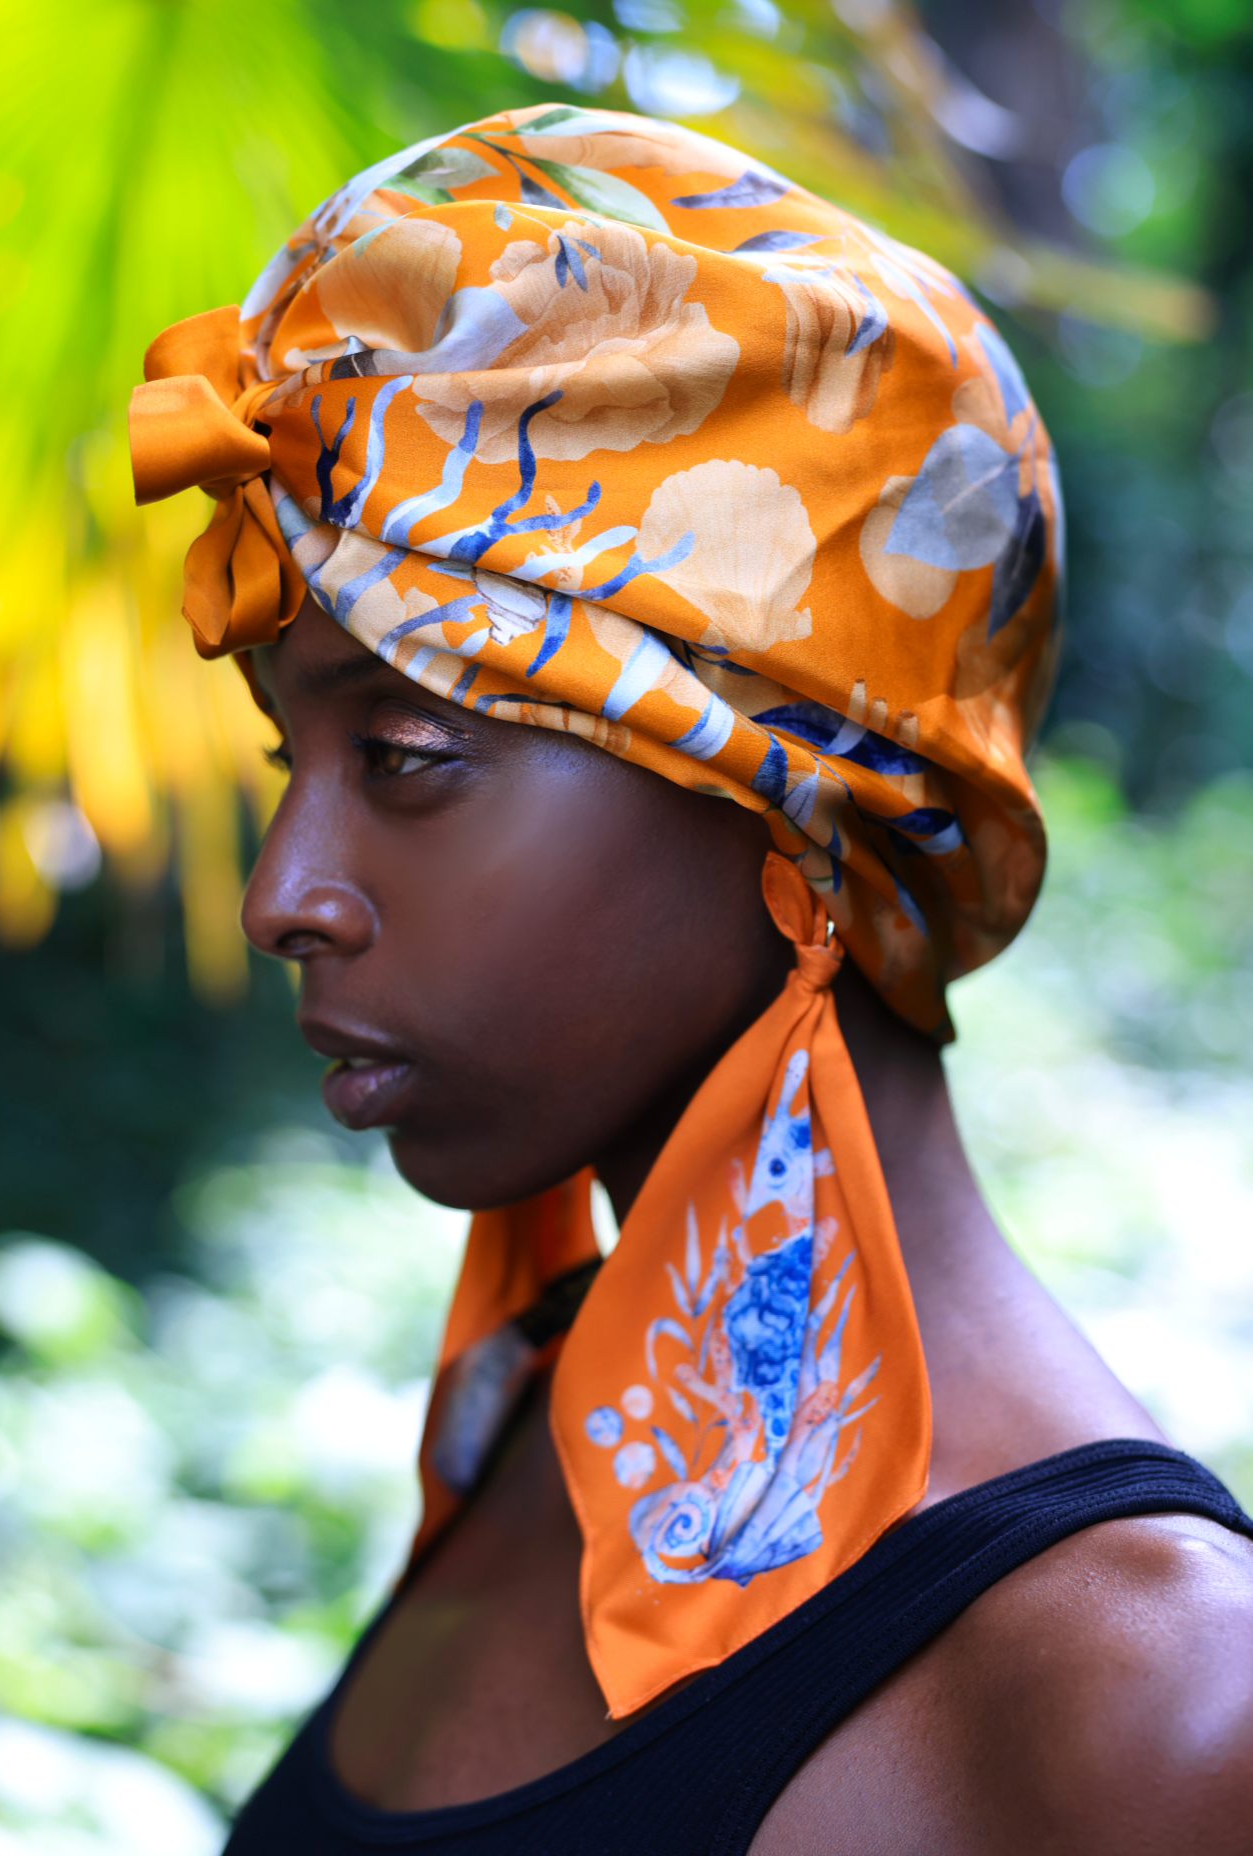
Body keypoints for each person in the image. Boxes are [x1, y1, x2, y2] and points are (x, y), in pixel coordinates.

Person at [129, 107, 1253, 1853]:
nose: (286, 896)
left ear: (801, 794)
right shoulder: (570, 1412)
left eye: (413, 752)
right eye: (293, 761)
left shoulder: (1152, 1713)